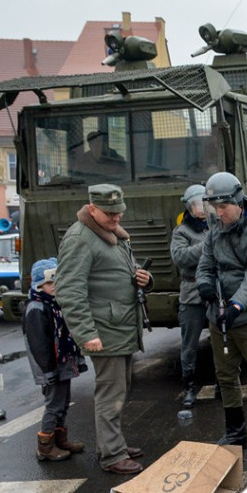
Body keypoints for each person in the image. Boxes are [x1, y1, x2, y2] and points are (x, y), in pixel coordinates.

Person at [55, 184, 152, 475]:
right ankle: (112, 455)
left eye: (119, 212)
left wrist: (144, 278)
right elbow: (69, 291)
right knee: (111, 394)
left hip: (120, 326)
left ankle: (114, 443)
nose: (116, 218)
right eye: (110, 213)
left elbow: (123, 272)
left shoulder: (110, 234)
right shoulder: (80, 239)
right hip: (105, 330)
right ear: (92, 208)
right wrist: (87, 334)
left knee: (119, 391)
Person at [195, 172, 247, 470]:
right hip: (219, 317)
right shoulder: (215, 231)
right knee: (226, 376)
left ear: (236, 202)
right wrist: (205, 286)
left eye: (223, 207)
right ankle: (236, 434)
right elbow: (205, 265)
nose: (218, 213)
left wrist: (236, 305)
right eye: (214, 208)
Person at [23, 257, 88, 462]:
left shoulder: (54, 304)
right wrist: (49, 370)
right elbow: (39, 345)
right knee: (54, 404)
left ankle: (60, 440)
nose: (53, 286)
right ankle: (45, 447)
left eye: (56, 282)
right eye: (49, 283)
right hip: (50, 366)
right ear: (38, 285)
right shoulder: (37, 307)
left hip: (61, 363)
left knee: (64, 401)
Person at [170, 184, 209, 408]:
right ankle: (190, 386)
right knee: (189, 344)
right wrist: (206, 246)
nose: (201, 209)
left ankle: (225, 384)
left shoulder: (215, 226)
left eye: (204, 203)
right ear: (189, 206)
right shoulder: (182, 231)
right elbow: (180, 257)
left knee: (224, 340)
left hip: (214, 291)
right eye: (196, 204)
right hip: (192, 292)